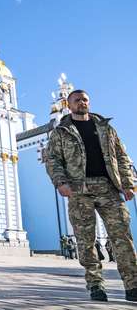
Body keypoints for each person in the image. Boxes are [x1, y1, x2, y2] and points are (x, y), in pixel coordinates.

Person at [46, 90, 137, 302]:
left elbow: (122, 158)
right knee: (86, 241)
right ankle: (96, 285)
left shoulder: (106, 128)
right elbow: (53, 160)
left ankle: (133, 286)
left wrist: (128, 184)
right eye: (77, 100)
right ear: (69, 105)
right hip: (79, 191)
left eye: (85, 99)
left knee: (122, 237)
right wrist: (61, 182)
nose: (82, 103)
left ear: (90, 102)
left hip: (109, 189)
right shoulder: (61, 132)